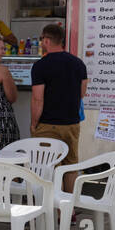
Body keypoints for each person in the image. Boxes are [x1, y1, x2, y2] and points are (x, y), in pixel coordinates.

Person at [30, 22, 87, 191]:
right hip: (72, 124)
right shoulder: (78, 63)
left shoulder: (40, 65)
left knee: (51, 166)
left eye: (42, 39)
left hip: (48, 125)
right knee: (70, 166)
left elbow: (37, 99)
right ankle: (70, 210)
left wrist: (34, 124)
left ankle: (57, 210)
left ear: (47, 40)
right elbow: (82, 93)